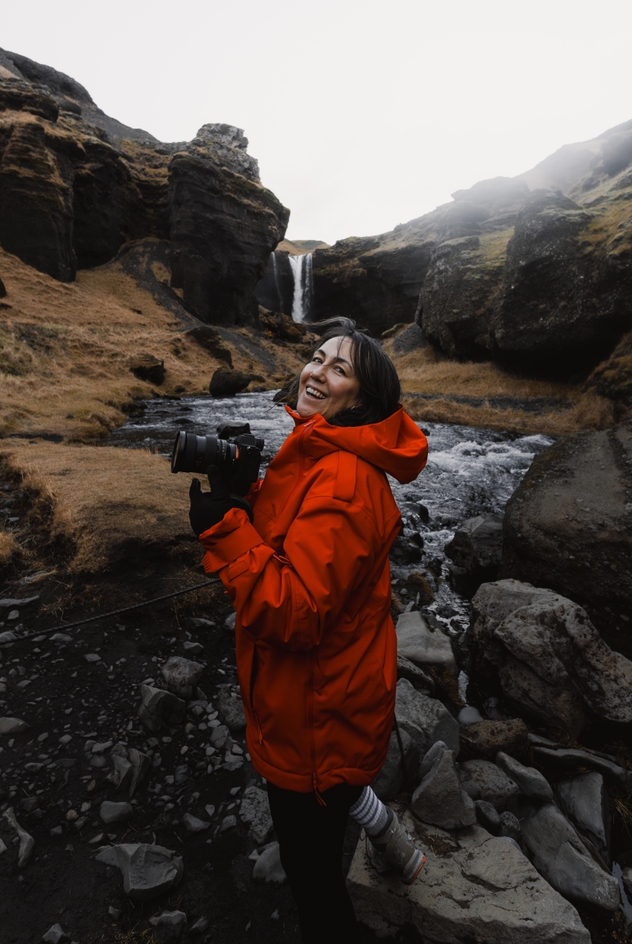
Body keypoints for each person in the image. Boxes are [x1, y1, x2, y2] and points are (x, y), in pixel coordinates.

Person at [188, 316, 429, 943]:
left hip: (320, 721)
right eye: (317, 357)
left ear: (362, 401)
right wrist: (246, 498)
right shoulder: (320, 453)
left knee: (313, 882)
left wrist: (223, 530)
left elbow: (293, 612)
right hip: (319, 705)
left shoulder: (345, 479)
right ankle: (381, 828)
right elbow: (293, 544)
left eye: (338, 368)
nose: (316, 371)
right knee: (323, 836)